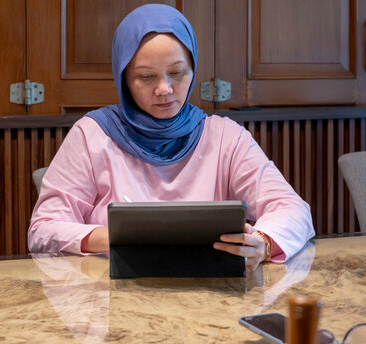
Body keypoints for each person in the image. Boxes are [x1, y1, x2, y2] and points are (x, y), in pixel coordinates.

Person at [28, 4, 315, 271]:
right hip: (111, 302)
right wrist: (115, 237)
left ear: (193, 69)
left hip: (212, 302)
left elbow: (293, 209)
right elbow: (43, 230)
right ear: (123, 79)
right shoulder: (93, 135)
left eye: (177, 73)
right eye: (146, 77)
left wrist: (263, 243)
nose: (165, 88)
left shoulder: (224, 137)